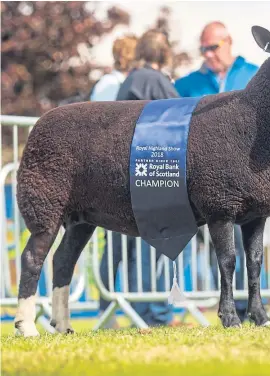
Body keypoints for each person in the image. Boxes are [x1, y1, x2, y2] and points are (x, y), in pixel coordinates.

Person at [175, 21, 265, 321]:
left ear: (228, 42)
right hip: (201, 188)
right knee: (213, 246)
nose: (208, 54)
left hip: (252, 182)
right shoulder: (186, 85)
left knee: (247, 244)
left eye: (213, 47)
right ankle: (217, 306)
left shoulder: (254, 74)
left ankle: (249, 305)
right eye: (203, 49)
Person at [116, 29, 191, 327]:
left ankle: (142, 313)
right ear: (165, 53)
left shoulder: (129, 80)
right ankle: (157, 315)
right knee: (151, 249)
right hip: (150, 174)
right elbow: (185, 119)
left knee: (136, 252)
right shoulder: (156, 81)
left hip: (126, 174)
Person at [90, 35, 137, 329]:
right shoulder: (111, 85)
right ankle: (106, 308)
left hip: (121, 171)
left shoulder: (109, 84)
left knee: (126, 247)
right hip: (113, 173)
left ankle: (122, 306)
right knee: (116, 248)